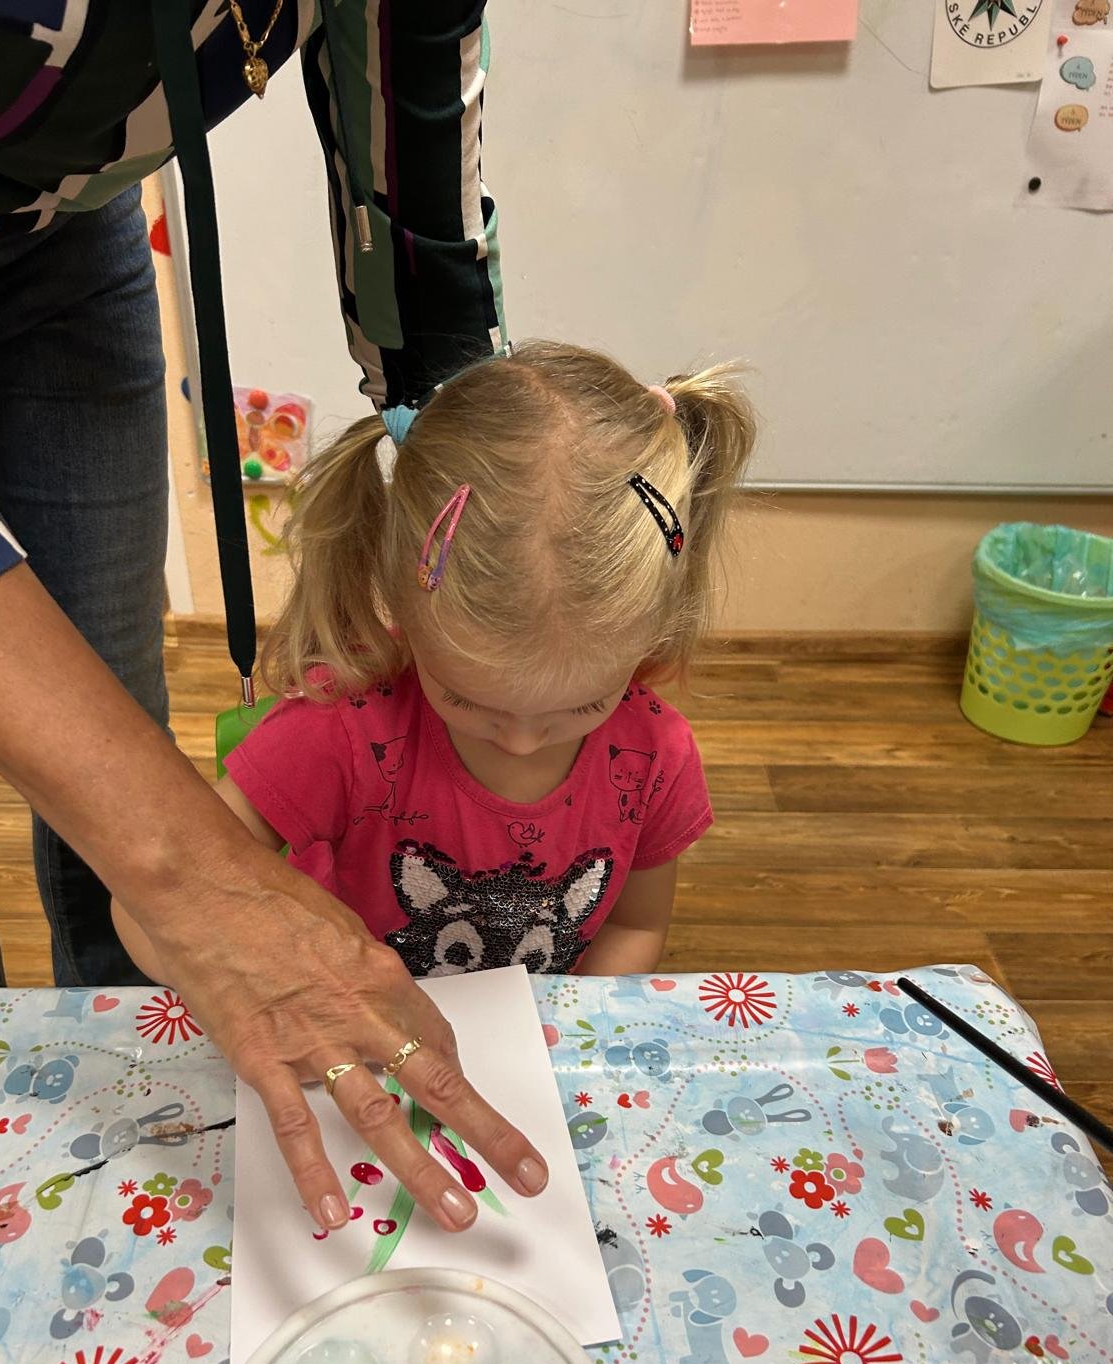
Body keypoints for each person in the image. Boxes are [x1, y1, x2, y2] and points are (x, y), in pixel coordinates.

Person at [0, 2, 549, 1235]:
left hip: (51, 255)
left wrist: (501, 552)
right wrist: (187, 868)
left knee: (113, 750)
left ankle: (140, 1137)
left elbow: (421, 237)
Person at [114, 342, 756, 987]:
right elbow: (161, 897)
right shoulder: (340, 726)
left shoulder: (654, 754)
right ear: (403, 605)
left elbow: (635, 928)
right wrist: (259, 985)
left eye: (586, 704)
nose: (522, 741)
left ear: (653, 636)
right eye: (467, 699)